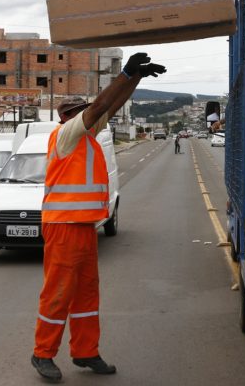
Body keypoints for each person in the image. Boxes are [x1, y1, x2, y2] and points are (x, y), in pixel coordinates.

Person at [32, 52, 165, 383]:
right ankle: (42, 353)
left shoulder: (87, 136)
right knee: (58, 292)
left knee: (87, 292)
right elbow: (96, 109)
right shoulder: (65, 136)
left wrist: (134, 79)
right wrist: (124, 73)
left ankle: (85, 351)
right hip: (62, 228)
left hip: (83, 227)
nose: (89, 116)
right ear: (68, 117)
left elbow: (108, 107)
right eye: (81, 113)